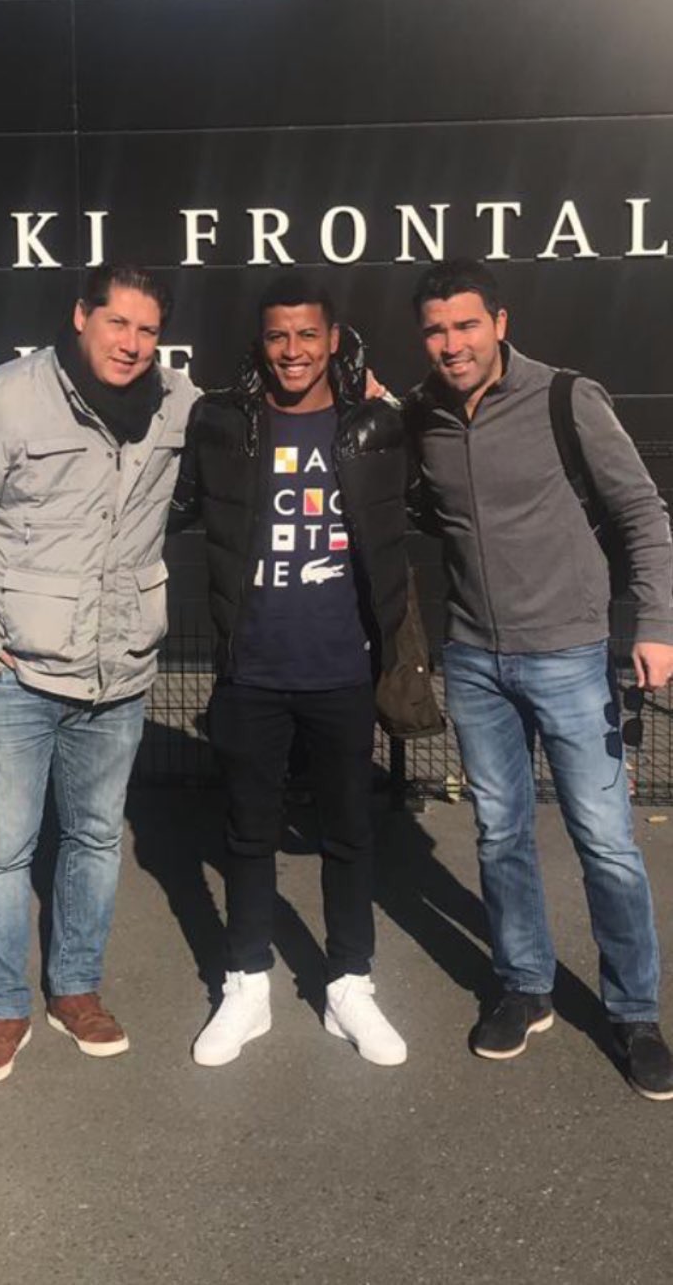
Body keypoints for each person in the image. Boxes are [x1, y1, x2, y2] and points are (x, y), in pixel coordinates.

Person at [0, 265, 199, 1084]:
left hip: (119, 671)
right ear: (82, 316)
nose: (131, 344)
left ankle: (75, 989)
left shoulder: (177, 403)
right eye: (118, 323)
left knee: (94, 839)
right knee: (1, 853)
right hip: (15, 674)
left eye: (147, 331)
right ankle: (4, 1006)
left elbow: (262, 424)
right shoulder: (4, 399)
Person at [405, 257, 673, 1100]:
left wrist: (657, 624)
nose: (452, 344)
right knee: (499, 834)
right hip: (473, 659)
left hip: (570, 655)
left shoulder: (566, 398)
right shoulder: (421, 415)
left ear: (500, 323)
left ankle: (635, 1014)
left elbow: (642, 512)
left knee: (606, 842)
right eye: (436, 330)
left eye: (466, 325)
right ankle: (525, 986)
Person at [170, 273, 439, 1068]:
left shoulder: (375, 426)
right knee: (248, 834)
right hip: (251, 669)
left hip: (344, 670)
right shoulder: (222, 423)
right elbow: (166, 505)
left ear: (334, 340)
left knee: (349, 834)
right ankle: (246, 984)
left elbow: (432, 500)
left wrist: (401, 406)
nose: (293, 351)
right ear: (262, 344)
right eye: (278, 336)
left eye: (307, 335)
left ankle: (349, 984)